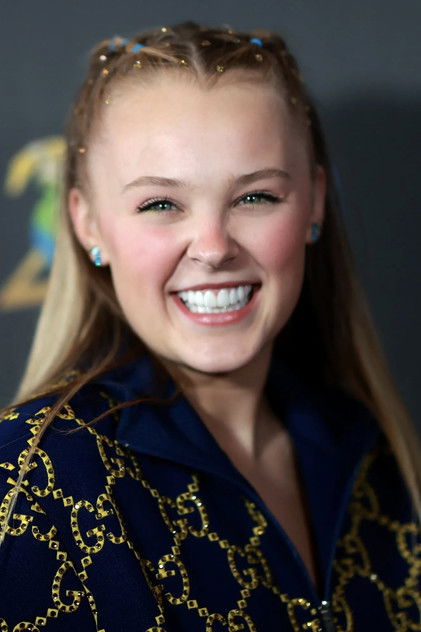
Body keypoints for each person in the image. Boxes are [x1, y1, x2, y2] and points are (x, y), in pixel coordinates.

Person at [0, 21, 419, 631]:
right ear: (87, 224)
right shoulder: (32, 477)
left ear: (315, 201)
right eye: (160, 204)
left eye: (255, 197)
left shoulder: (376, 455)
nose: (215, 248)